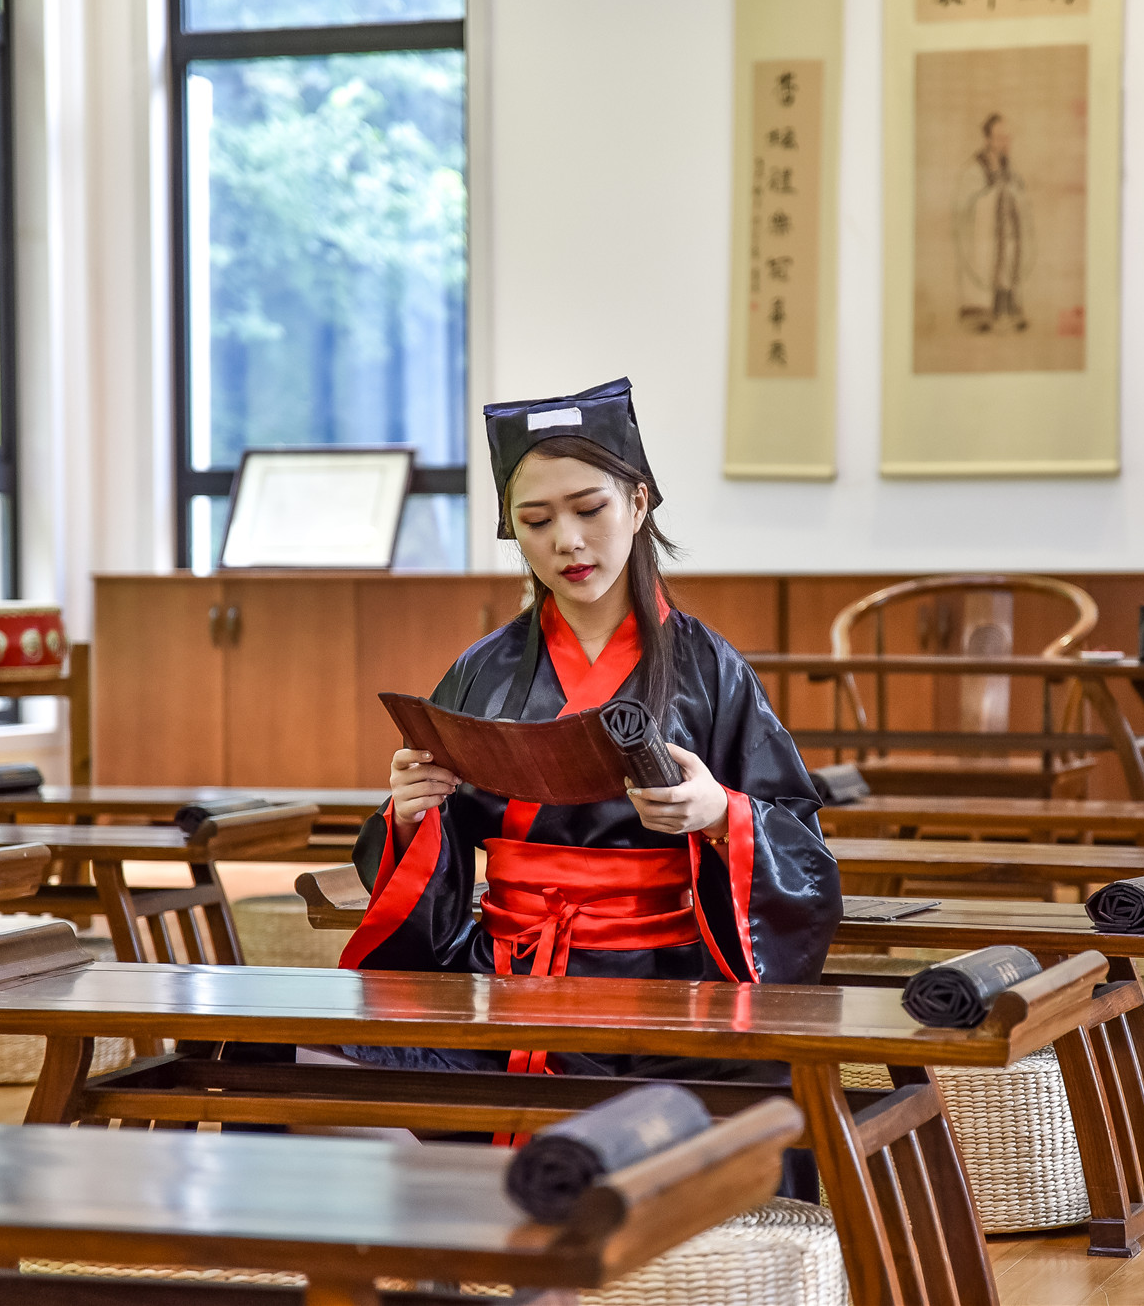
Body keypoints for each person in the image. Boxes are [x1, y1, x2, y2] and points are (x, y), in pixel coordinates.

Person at [339, 376, 842, 1113]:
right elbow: (439, 840)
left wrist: (720, 813)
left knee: (764, 1100)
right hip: (505, 975)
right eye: (536, 520)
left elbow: (799, 840)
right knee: (338, 1062)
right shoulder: (482, 669)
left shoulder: (711, 669)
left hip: (667, 983)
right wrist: (412, 815)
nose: (566, 541)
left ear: (639, 503)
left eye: (589, 508)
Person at [954, 112, 1033, 334]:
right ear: (988, 139)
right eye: (1000, 138)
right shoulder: (973, 170)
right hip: (984, 236)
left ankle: (1006, 310)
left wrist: (1013, 194)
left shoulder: (1010, 169)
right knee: (987, 261)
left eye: (1007, 138)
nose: (1005, 143)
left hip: (1007, 236)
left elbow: (1020, 196)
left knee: (1008, 266)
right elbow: (965, 205)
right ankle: (980, 314)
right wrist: (993, 195)